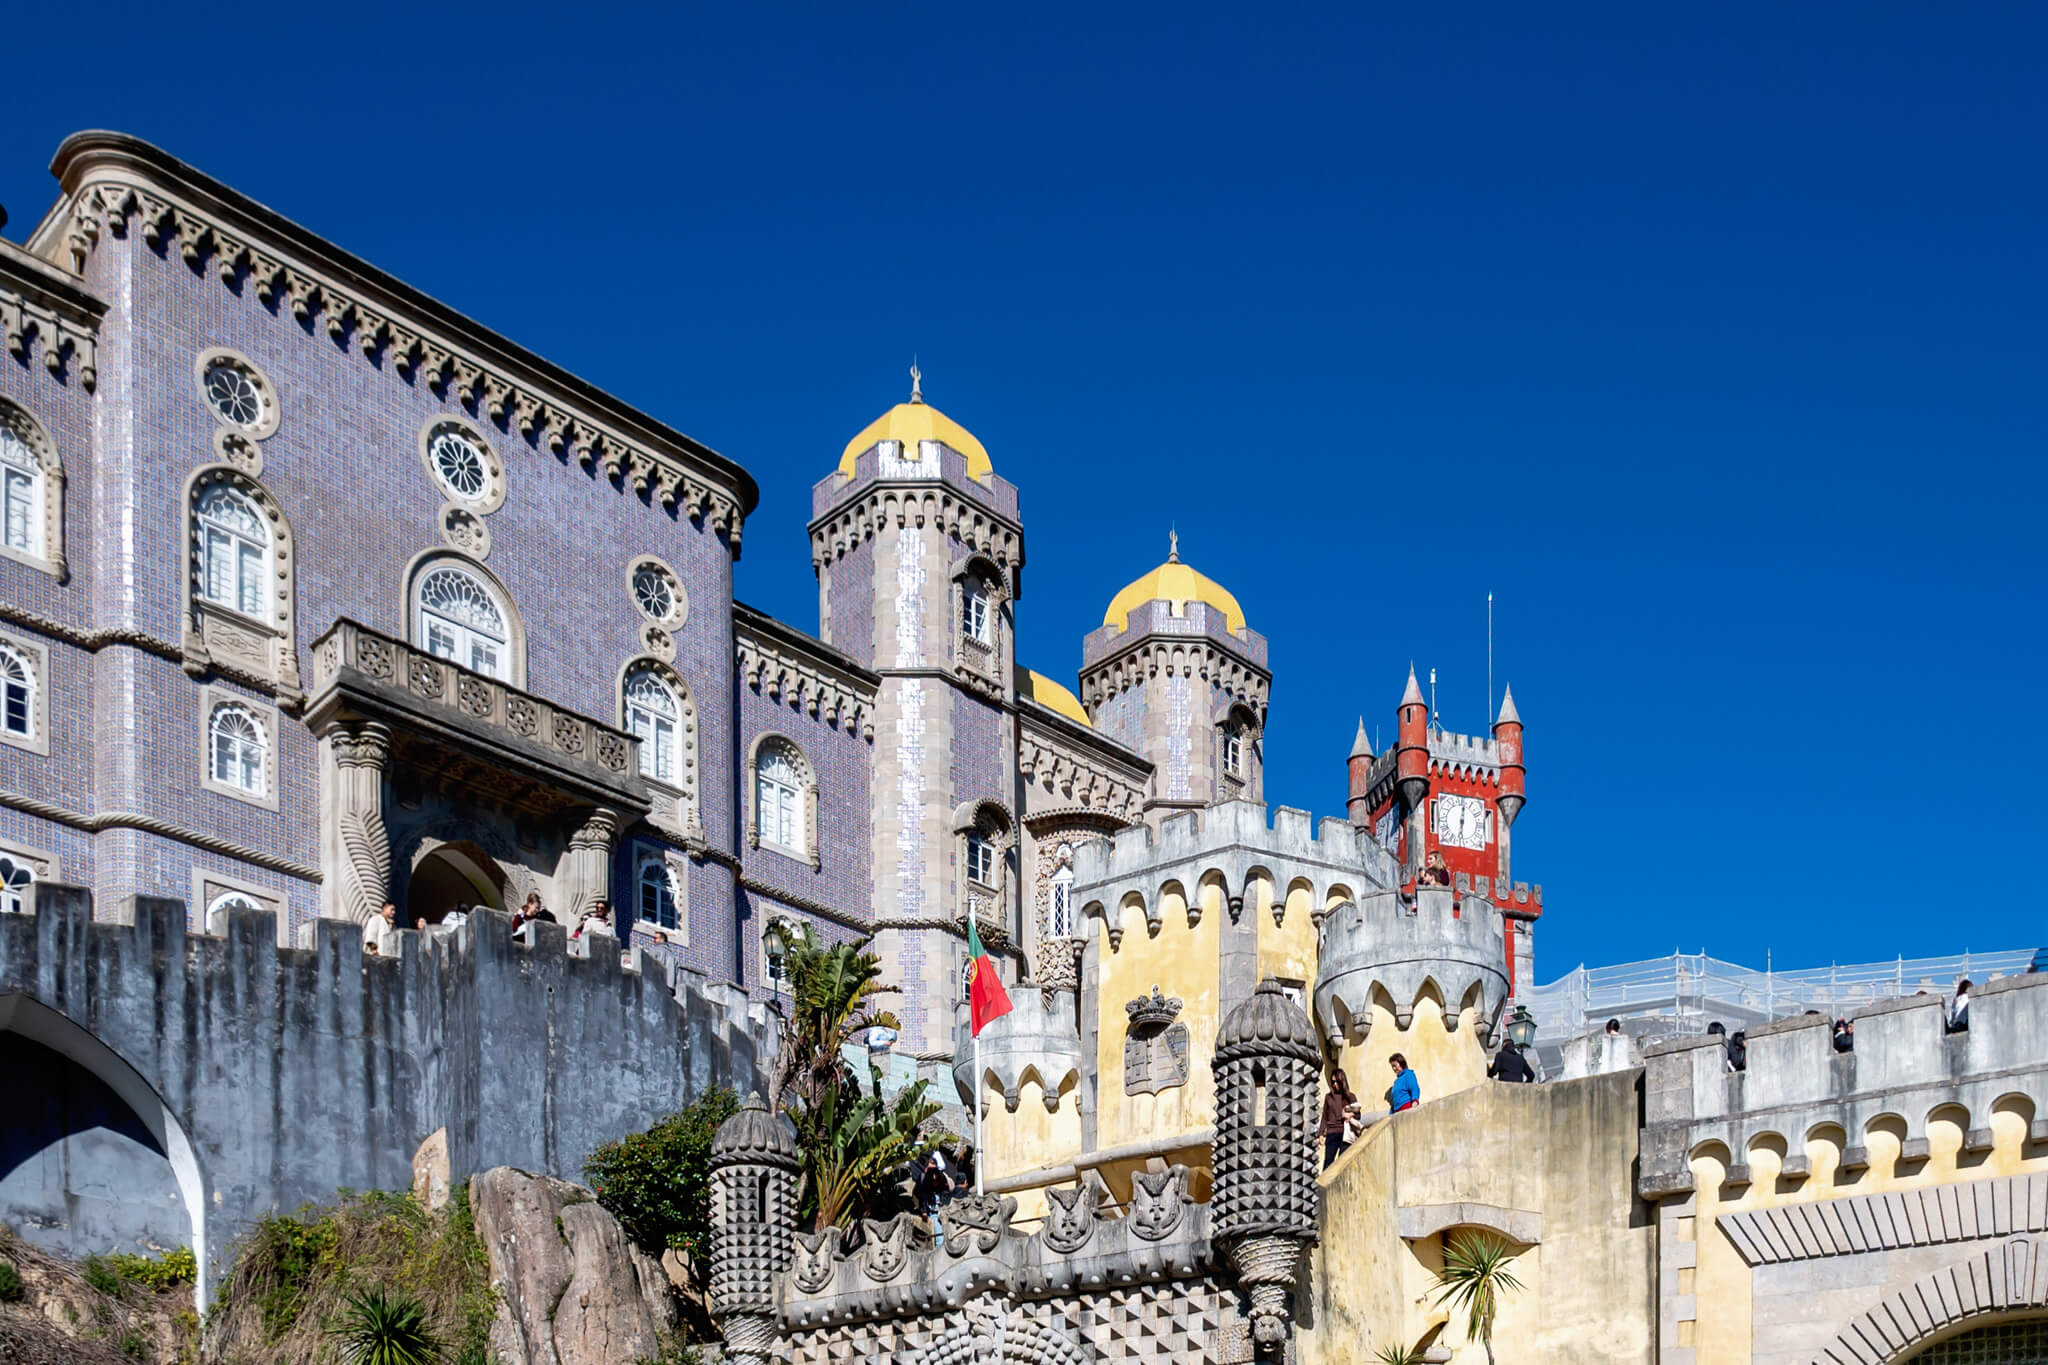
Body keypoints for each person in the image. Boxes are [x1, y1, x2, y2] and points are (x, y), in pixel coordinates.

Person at [1320, 1069, 1363, 1167]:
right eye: (1333, 1082)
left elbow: (1358, 1115)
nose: (1335, 1084)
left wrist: (1350, 1115)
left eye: (1337, 1082)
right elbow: (1324, 1116)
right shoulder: (1328, 1097)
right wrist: (1321, 1134)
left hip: (1345, 1134)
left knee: (1342, 1164)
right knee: (1328, 1164)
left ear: (1342, 1081)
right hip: (1331, 1133)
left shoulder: (1350, 1096)